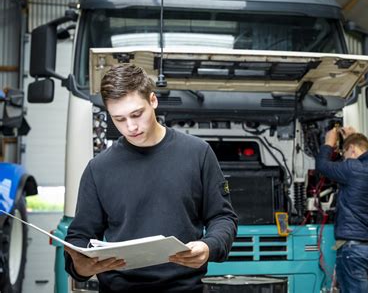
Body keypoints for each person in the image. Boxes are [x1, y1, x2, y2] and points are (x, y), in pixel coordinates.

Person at [64, 63, 238, 293]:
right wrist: (80, 267)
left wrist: (209, 246)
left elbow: (223, 217)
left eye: (137, 114)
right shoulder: (99, 169)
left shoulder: (198, 153)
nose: (131, 127)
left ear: (153, 100)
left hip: (183, 289)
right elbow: (80, 236)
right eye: (119, 119)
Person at [315, 126, 368, 293]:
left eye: (345, 154)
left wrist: (329, 142)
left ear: (352, 150)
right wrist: (353, 138)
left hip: (352, 249)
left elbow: (322, 165)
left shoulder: (352, 169)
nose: (345, 159)